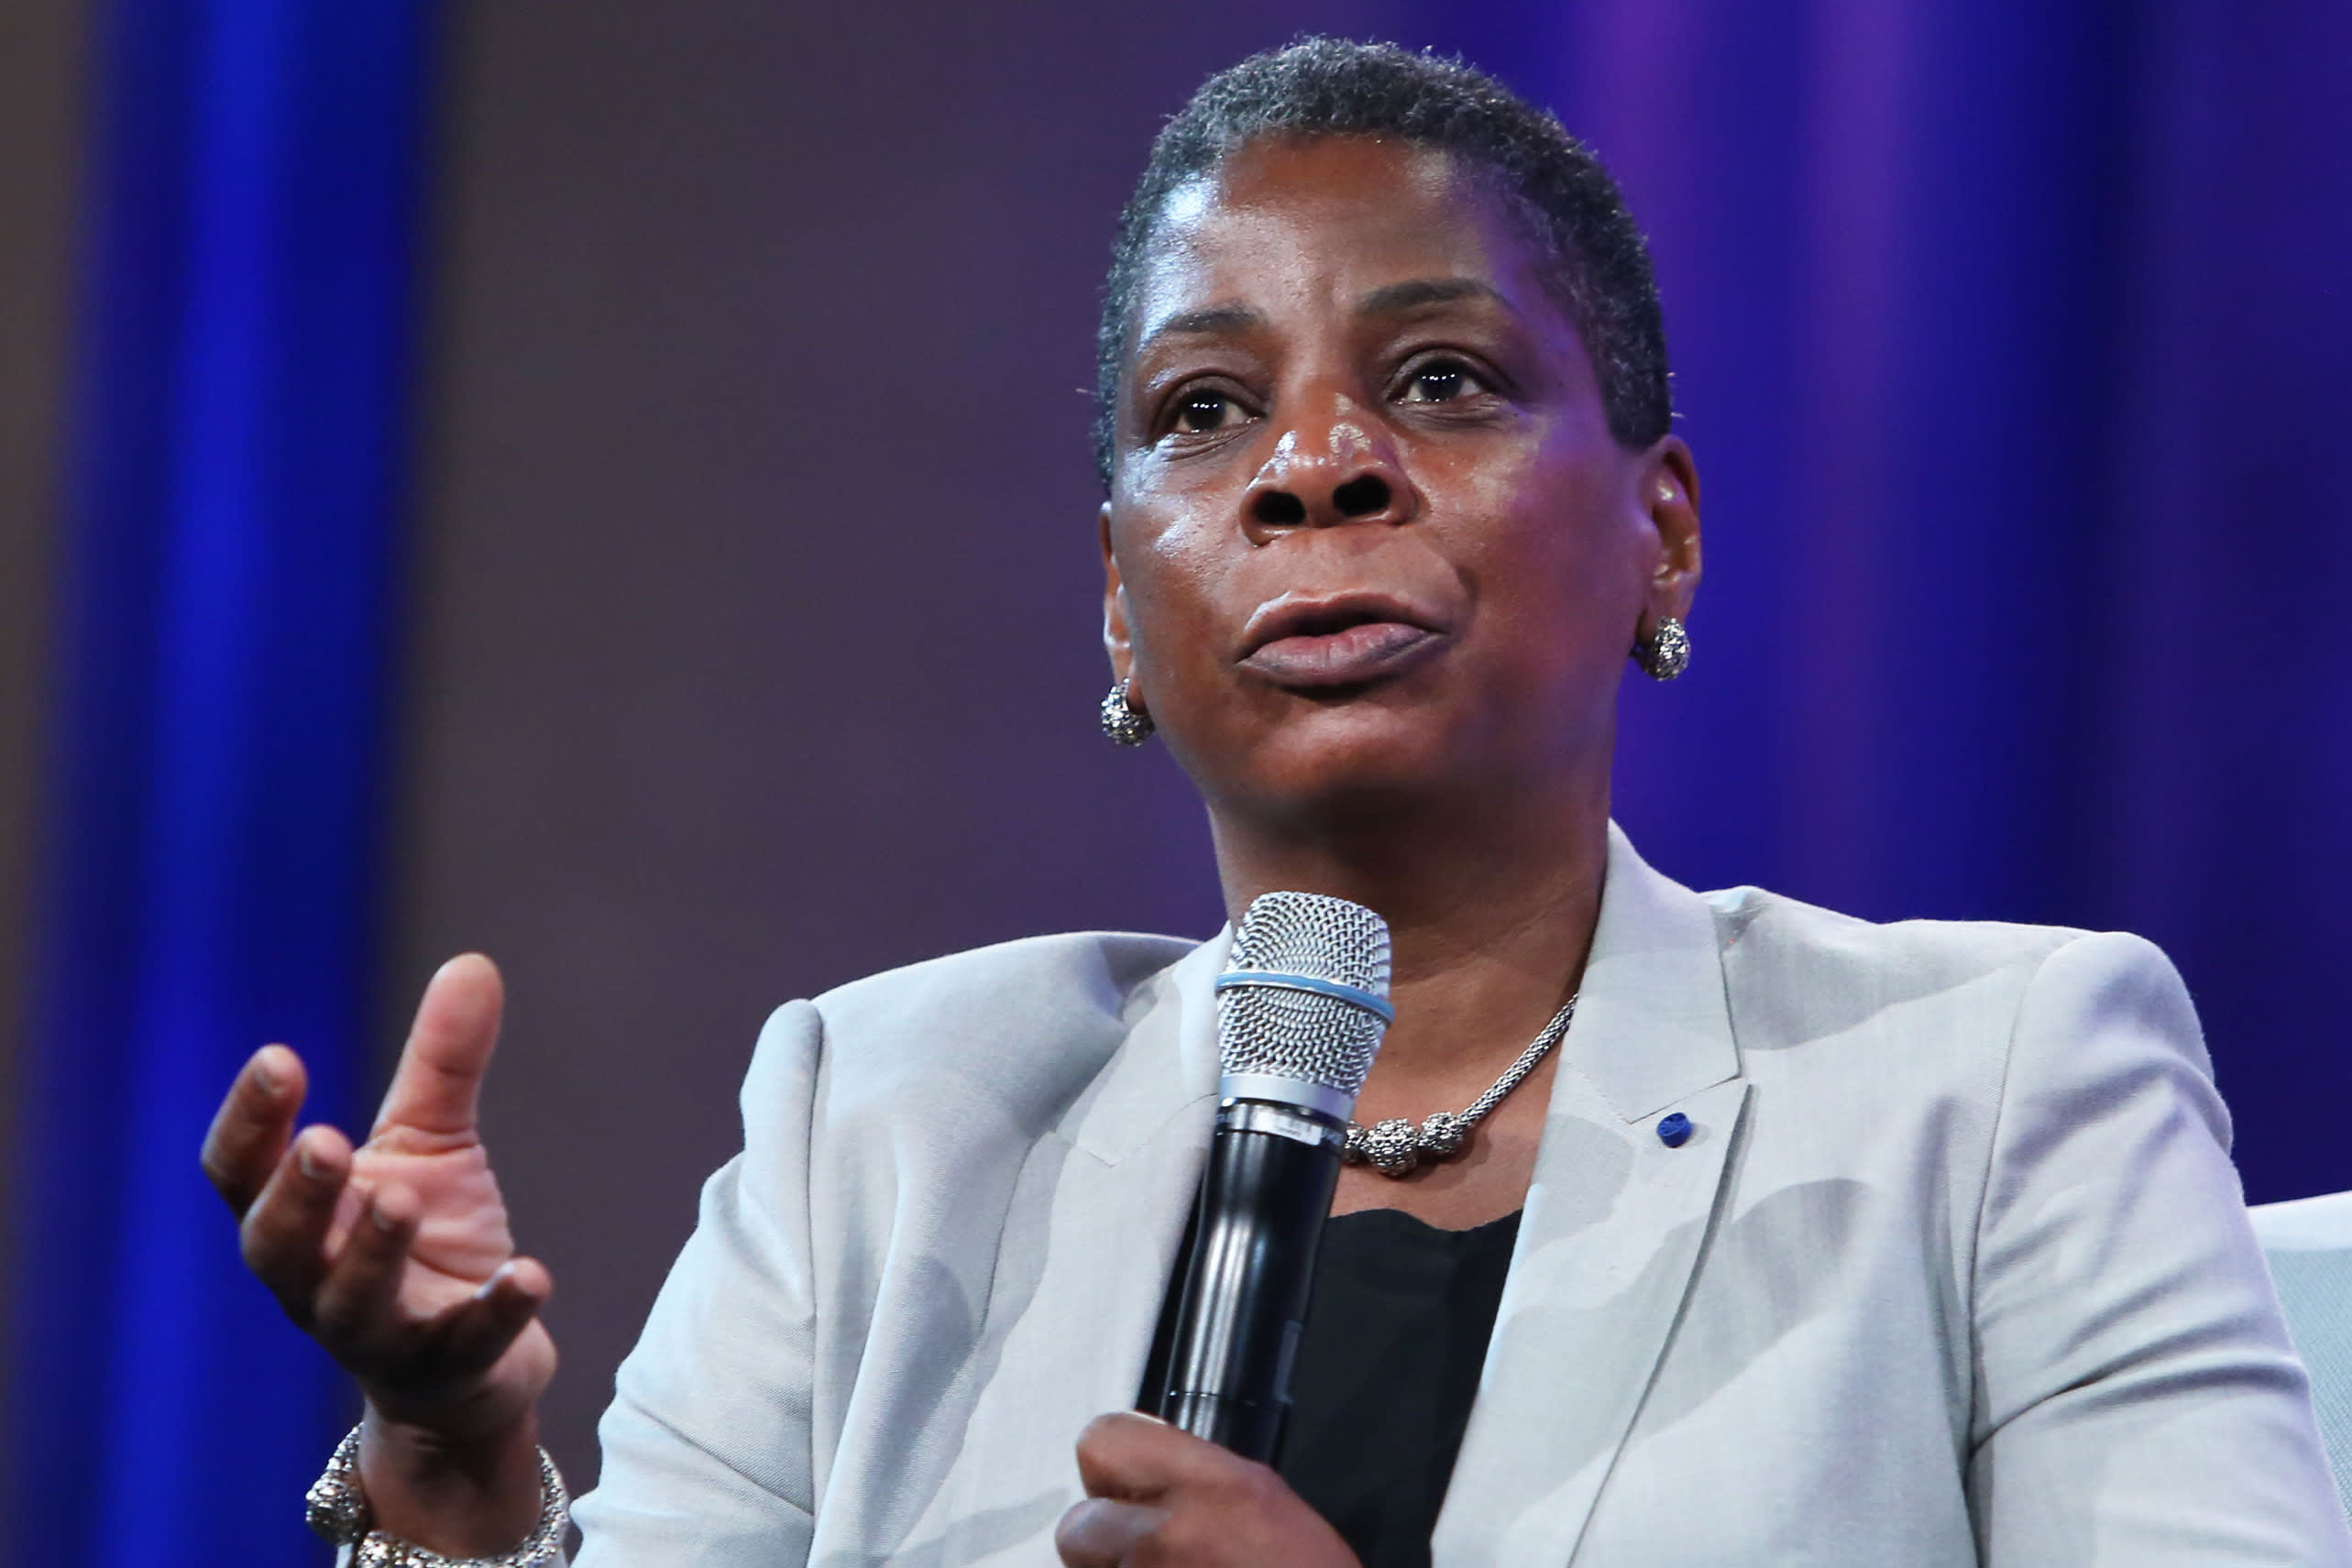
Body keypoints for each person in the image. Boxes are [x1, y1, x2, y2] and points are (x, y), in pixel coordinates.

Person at [201, 38, 2351, 1568]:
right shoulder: (886, 1115)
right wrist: (457, 1460)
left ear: (1664, 534)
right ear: (1123, 608)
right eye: (1203, 410)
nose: (1311, 465)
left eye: (1438, 379)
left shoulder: (1991, 1091)